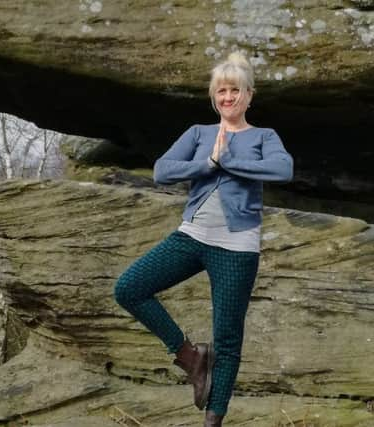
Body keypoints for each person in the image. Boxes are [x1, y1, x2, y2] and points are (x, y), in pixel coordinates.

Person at [114, 51, 293, 427]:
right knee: (129, 288)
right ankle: (191, 358)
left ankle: (214, 422)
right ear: (214, 96)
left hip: (237, 247)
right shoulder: (199, 133)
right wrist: (207, 163)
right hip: (191, 237)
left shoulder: (264, 136)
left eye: (235, 91)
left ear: (249, 95)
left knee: (227, 339)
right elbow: (163, 170)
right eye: (221, 91)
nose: (228, 98)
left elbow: (283, 168)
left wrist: (228, 161)